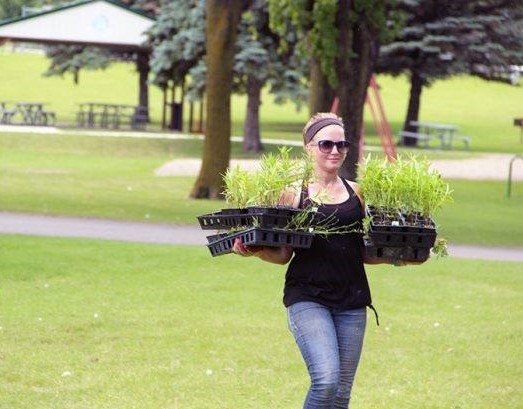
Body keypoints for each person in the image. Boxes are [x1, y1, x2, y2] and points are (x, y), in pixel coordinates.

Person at [233, 112, 400, 409]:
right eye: (326, 144)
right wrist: (253, 250)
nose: (335, 151)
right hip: (308, 297)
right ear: (309, 147)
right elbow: (283, 254)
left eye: (341, 144)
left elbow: (362, 251)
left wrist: (401, 258)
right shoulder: (292, 195)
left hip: (352, 300)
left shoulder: (357, 193)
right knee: (326, 380)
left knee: (341, 394)